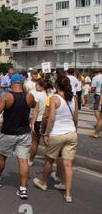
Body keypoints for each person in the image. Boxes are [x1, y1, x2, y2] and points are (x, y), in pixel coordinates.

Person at [34, 75, 78, 203]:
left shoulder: (54, 98)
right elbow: (76, 118)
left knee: (49, 160)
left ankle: (43, 182)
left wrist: (46, 133)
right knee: (68, 164)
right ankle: (68, 194)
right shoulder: (73, 98)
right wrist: (74, 131)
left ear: (57, 86)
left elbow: (51, 118)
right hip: (71, 133)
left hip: (57, 134)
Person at [0, 74, 36, 199]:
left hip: (8, 132)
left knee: (2, 157)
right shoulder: (29, 96)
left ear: (11, 83)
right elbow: (33, 106)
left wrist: (0, 99)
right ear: (22, 83)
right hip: (24, 133)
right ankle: (23, 189)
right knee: (23, 161)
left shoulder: (7, 96)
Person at [28, 79, 51, 166]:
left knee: (35, 143)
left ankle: (30, 160)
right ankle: (49, 162)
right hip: (46, 122)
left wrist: (32, 123)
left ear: (41, 87)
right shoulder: (50, 96)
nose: (36, 87)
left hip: (38, 121)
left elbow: (36, 111)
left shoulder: (38, 96)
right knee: (47, 143)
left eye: (37, 85)